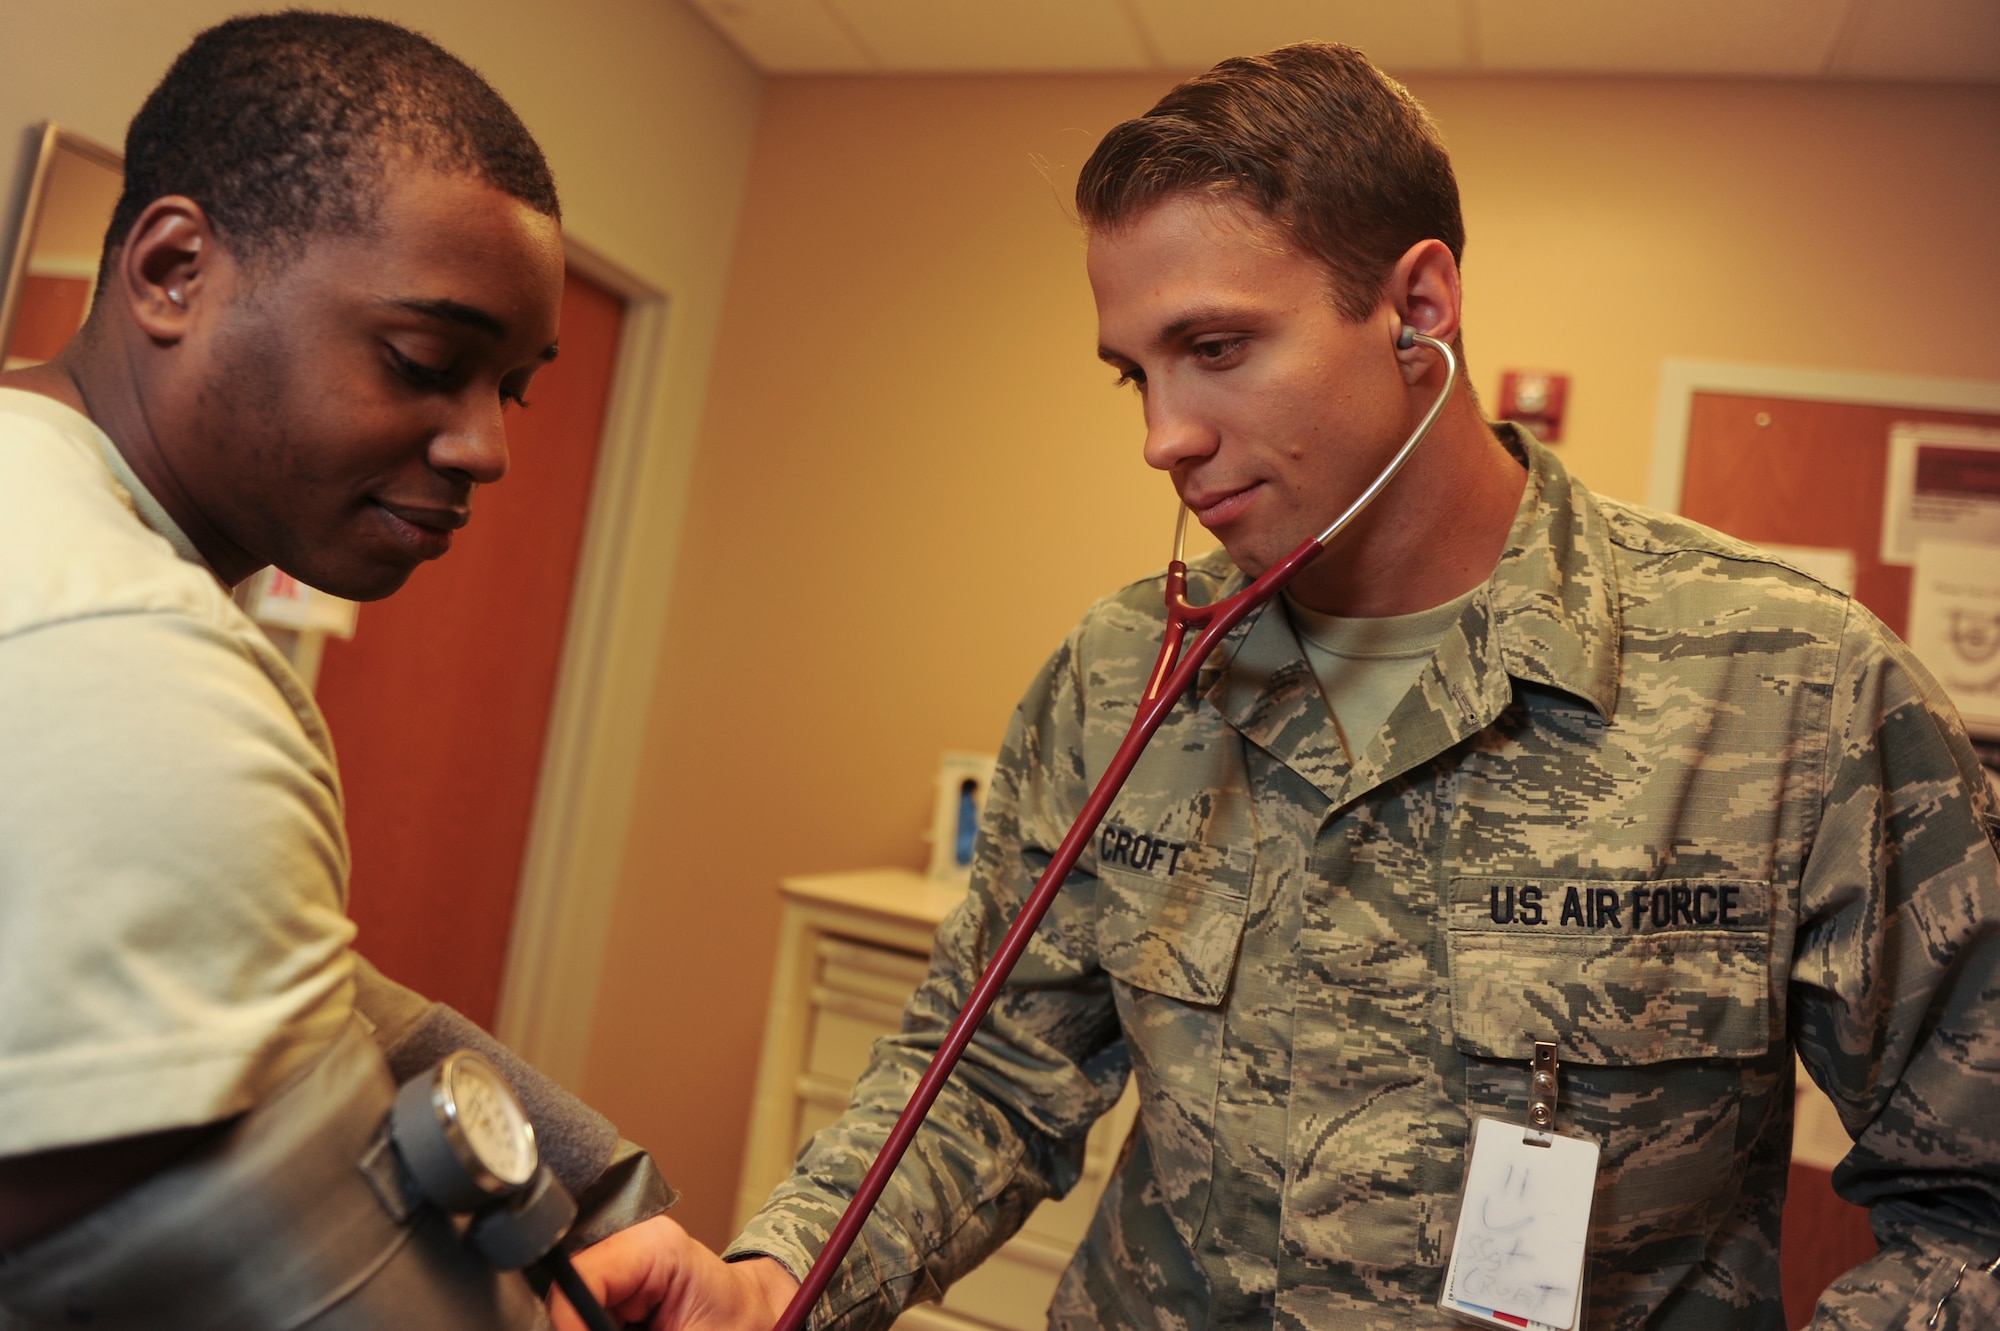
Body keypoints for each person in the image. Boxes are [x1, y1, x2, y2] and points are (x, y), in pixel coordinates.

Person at [559, 42, 2000, 1331]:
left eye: (1215, 348)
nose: (1165, 438)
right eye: (1134, 374)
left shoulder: (1797, 690)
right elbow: (987, 1073)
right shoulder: (1121, 677)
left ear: (1417, 307)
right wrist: (776, 1283)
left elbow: (1974, 1209)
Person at [0, 14, 669, 1326]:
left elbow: (273, 982)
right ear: (174, 271)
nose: (486, 450)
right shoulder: (134, 660)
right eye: (426, 363)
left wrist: (603, 1189)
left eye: (511, 389)